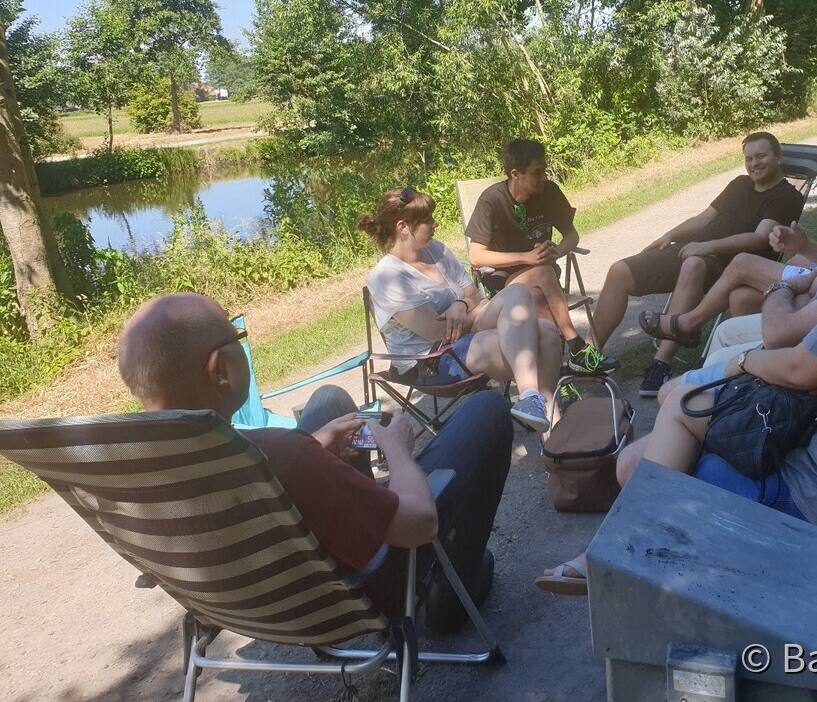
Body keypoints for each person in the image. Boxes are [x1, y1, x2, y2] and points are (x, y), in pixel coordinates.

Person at [537, 136, 817, 594]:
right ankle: (610, 550)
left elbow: (798, 369)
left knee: (649, 447)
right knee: (665, 431)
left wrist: (745, 360)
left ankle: (614, 555)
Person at [117, 292, 513, 633]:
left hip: (258, 602)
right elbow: (420, 523)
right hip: (360, 590)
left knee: (328, 401)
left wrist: (311, 446)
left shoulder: (135, 473)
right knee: (488, 410)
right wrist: (398, 450)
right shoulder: (280, 453)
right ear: (219, 370)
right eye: (237, 336)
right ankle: (451, 601)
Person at [639, 120, 817, 352]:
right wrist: (805, 247)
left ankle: (688, 324)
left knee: (743, 262)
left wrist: (789, 285)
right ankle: (749, 357)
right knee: (740, 297)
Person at [584, 131, 807, 398]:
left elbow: (759, 238)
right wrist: (670, 235)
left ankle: (661, 363)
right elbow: (703, 219)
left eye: (761, 156)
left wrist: (706, 247)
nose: (754, 164)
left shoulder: (786, 197)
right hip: (695, 250)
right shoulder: (738, 184)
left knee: (693, 265)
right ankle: (588, 358)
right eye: (748, 158)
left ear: (778, 157)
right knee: (620, 270)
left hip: (730, 266)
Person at [360, 186, 560, 432]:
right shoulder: (387, 276)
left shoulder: (437, 250)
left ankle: (540, 414)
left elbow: (473, 294)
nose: (435, 224)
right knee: (541, 337)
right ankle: (548, 427)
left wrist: (461, 304)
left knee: (540, 321)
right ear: (402, 227)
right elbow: (437, 332)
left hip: (466, 336)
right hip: (433, 361)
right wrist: (474, 309)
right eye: (427, 220)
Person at [466, 138, 616, 375]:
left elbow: (571, 235)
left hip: (544, 285)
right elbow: (476, 256)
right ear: (515, 174)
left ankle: (553, 376)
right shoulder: (491, 200)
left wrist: (556, 251)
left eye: (544, 170)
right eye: (537, 173)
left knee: (538, 295)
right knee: (543, 273)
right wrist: (527, 257)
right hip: (504, 287)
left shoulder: (550, 192)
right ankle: (575, 349)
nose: (544, 177)